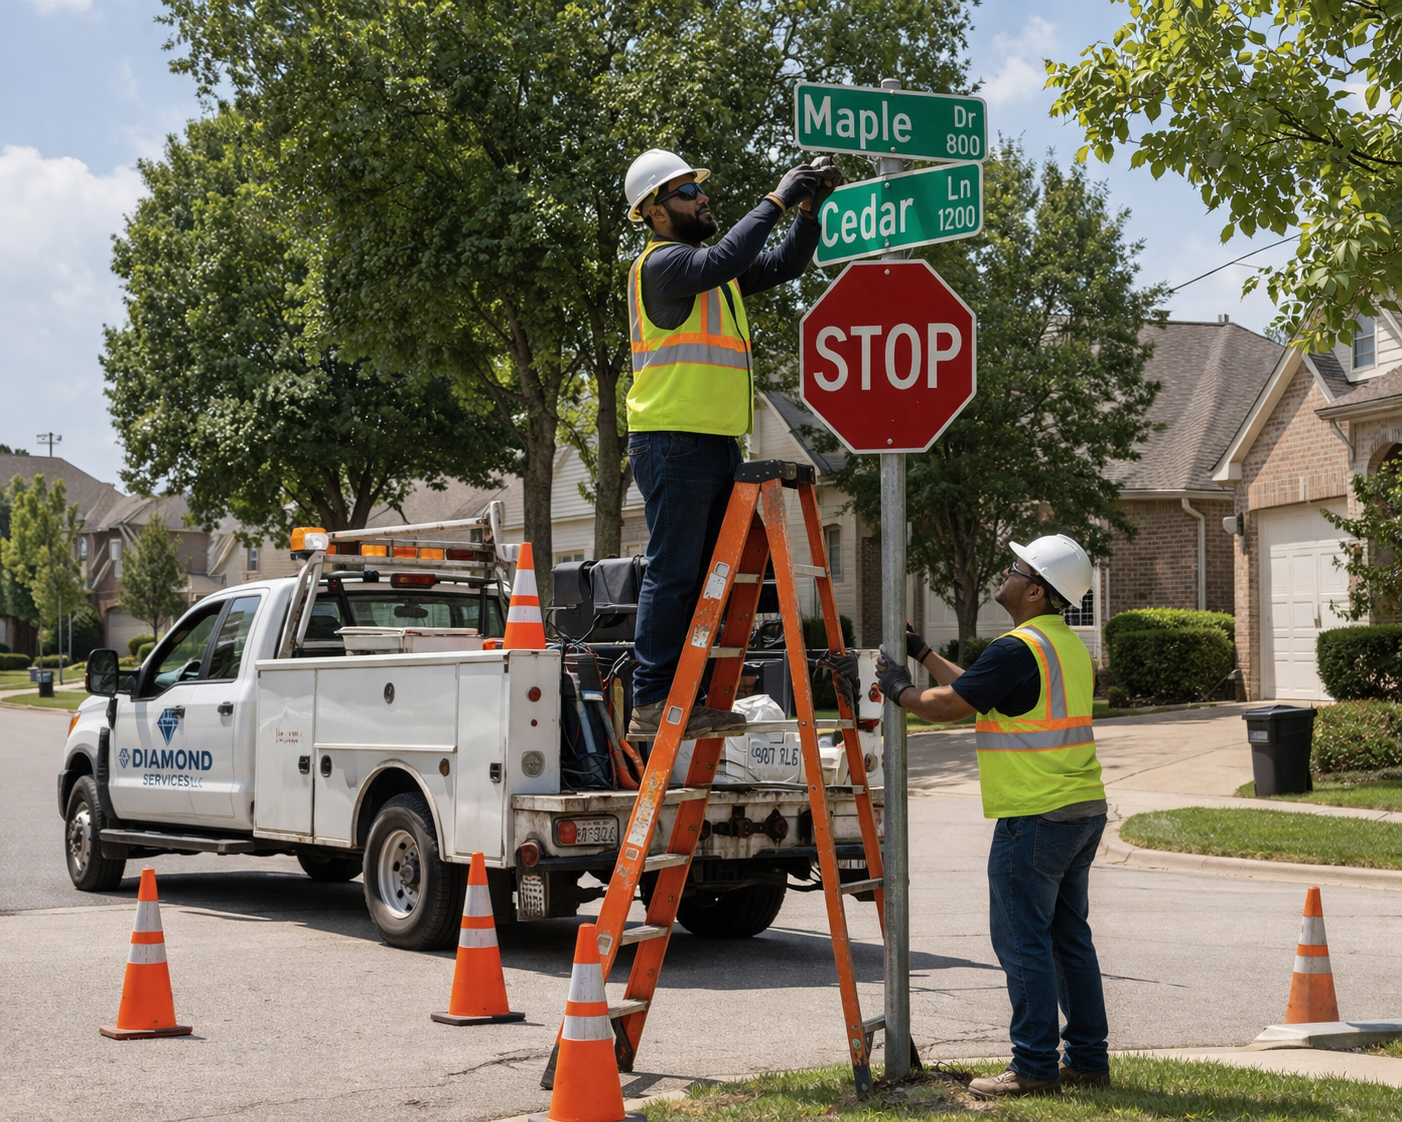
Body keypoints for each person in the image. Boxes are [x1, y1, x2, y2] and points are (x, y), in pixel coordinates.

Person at [873, 534, 1110, 1098]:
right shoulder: (1062, 644)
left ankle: (1032, 1067)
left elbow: (951, 706)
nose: (1005, 572)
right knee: (1068, 938)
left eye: (1015, 567)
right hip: (1080, 810)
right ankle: (1087, 1062)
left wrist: (897, 689)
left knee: (1023, 941)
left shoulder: (1017, 648)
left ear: (1034, 589)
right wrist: (925, 655)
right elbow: (985, 691)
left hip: (1034, 816)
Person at [621, 148, 842, 739]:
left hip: (716, 442)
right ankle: (651, 703)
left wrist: (810, 212)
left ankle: (688, 697)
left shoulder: (709, 273)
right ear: (655, 211)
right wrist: (778, 196)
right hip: (672, 439)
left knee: (708, 576)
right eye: (688, 192)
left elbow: (782, 265)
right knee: (674, 572)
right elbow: (729, 255)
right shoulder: (662, 265)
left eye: (699, 188)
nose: (702, 198)